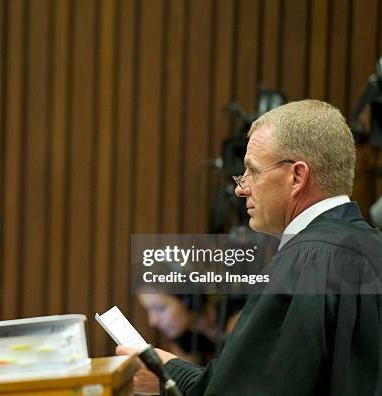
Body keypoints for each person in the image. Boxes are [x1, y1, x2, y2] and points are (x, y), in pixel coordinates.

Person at [119, 100, 382, 395]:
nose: (241, 188)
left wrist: (170, 377)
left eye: (253, 172)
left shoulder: (304, 262)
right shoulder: (373, 246)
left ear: (297, 176)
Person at [137, 294, 216, 365]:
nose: (153, 321)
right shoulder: (184, 339)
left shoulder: (227, 330)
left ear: (189, 301)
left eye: (160, 308)